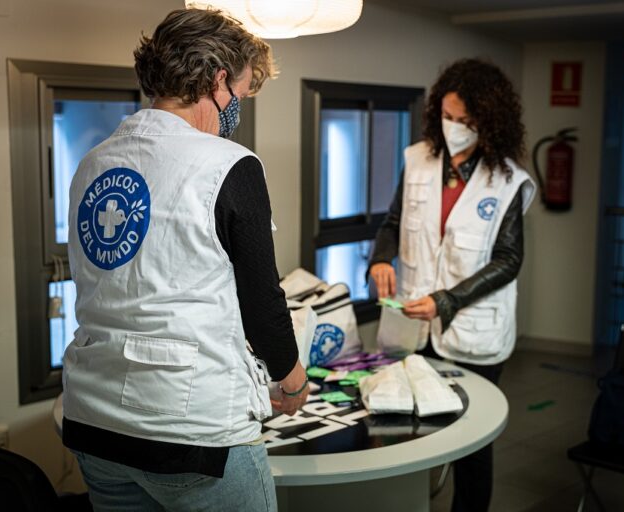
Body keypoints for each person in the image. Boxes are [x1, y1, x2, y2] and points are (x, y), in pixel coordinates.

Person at [62, 9, 308, 511]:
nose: (236, 106)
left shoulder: (94, 162)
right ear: (218, 80)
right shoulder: (228, 164)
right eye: (238, 92)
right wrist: (291, 378)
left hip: (94, 422)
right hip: (189, 431)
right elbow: (261, 298)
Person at [368, 58, 536, 512]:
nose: (454, 127)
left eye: (465, 121)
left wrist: (448, 300)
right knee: (408, 424)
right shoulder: (418, 160)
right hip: (415, 326)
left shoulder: (505, 182)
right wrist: (380, 258)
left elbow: (508, 259)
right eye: (447, 116)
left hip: (472, 332)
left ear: (488, 120)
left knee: (471, 442)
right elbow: (393, 221)